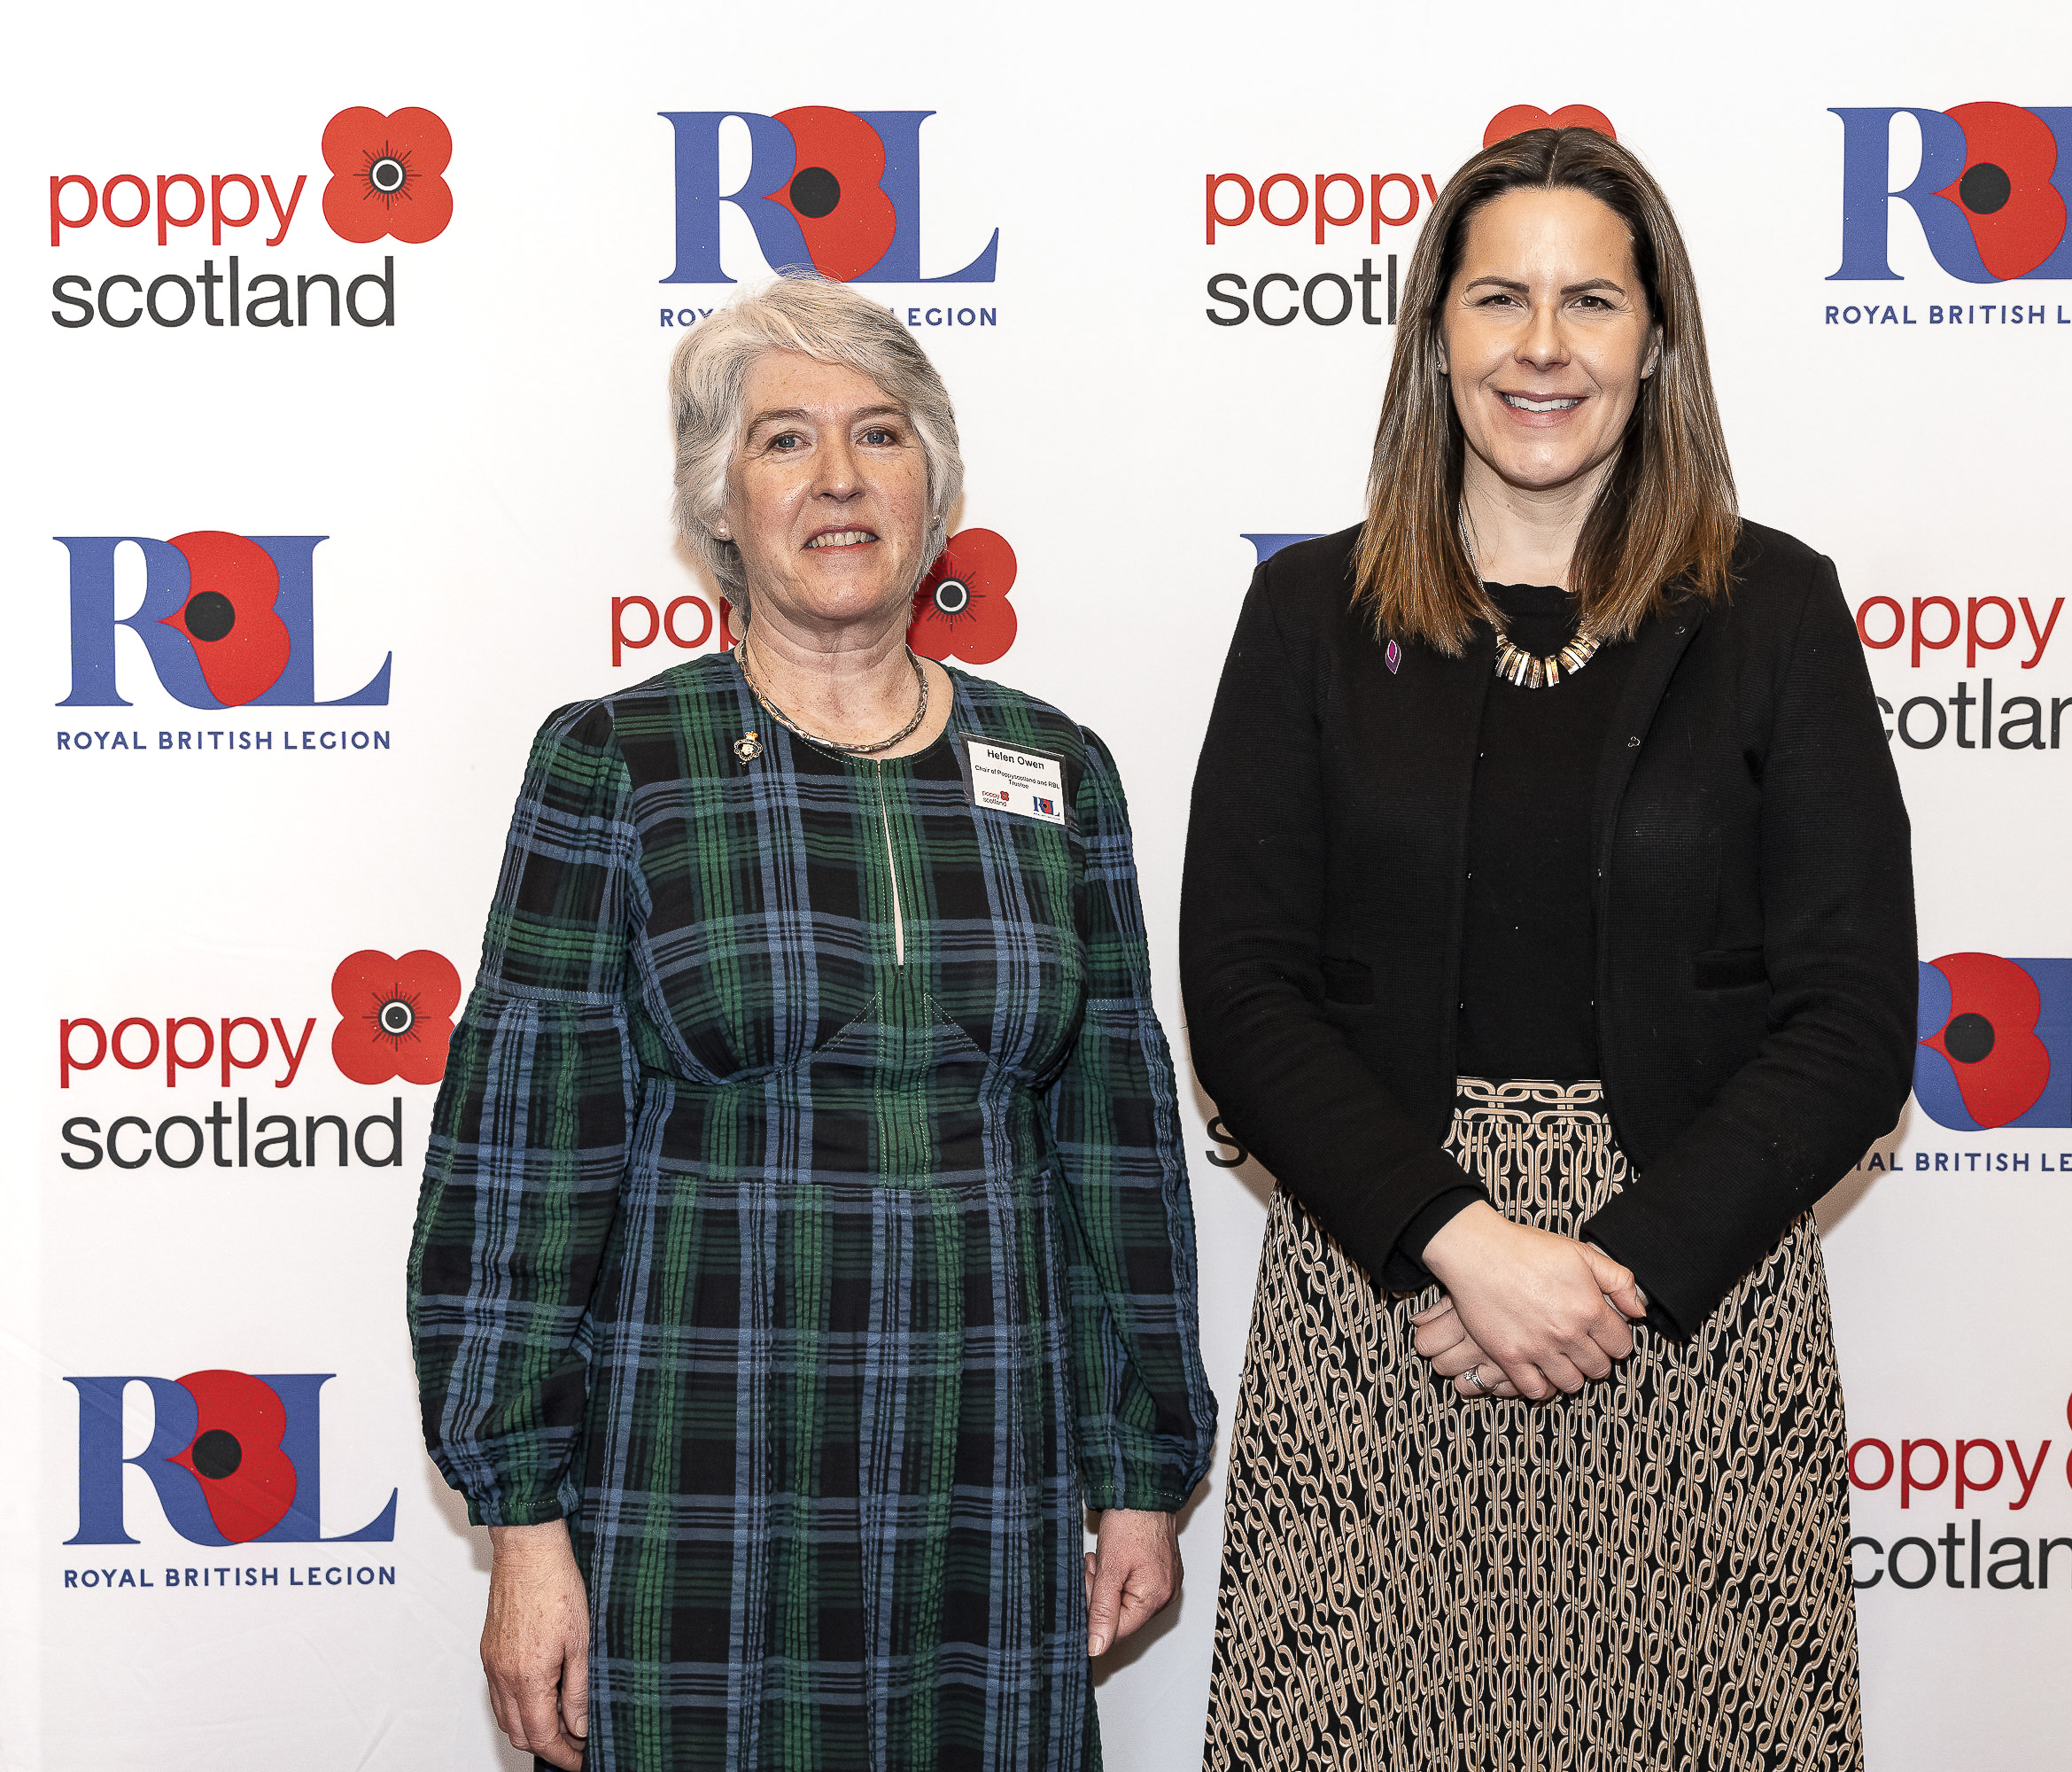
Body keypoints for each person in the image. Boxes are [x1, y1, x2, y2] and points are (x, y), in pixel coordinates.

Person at [409, 274, 1216, 1772]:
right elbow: (522, 1164)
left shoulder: (1057, 769)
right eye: (784, 442)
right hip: (700, 1475)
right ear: (720, 505)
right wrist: (523, 1528)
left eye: (881, 436)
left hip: (994, 1469)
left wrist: (1139, 1470)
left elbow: (1117, 1154)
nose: (839, 479)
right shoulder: (615, 765)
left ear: (937, 488)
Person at [1182, 126, 1915, 1768]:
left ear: (1657, 341)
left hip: (1694, 1313)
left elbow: (1855, 1017)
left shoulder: (1776, 610)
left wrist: (1619, 1269)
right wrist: (1458, 1240)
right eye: (1498, 297)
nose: (1542, 346)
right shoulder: (1309, 614)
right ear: (1434, 333)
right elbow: (1239, 987)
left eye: (1591, 299)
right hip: (1387, 1310)